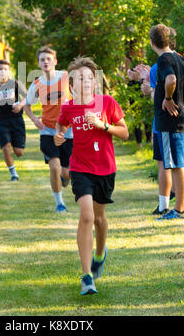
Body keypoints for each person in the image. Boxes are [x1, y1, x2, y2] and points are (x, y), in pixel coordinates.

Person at [54, 56, 129, 295]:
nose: (85, 82)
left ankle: (100, 253)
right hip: (80, 167)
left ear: (94, 81)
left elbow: (125, 133)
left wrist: (102, 125)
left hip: (105, 168)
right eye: (79, 79)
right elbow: (61, 126)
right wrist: (58, 136)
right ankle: (86, 276)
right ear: (72, 84)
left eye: (89, 78)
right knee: (86, 216)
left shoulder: (106, 102)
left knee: (99, 218)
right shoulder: (68, 107)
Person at [14, 46, 72, 212]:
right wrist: (34, 120)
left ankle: (64, 176)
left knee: (67, 172)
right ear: (39, 64)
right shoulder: (37, 84)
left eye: (48, 59)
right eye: (42, 60)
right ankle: (59, 203)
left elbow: (78, 97)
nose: (45, 62)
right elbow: (27, 104)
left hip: (68, 131)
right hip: (47, 130)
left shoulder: (66, 77)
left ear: (55, 61)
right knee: (54, 166)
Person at [148, 24, 184, 220]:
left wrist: (169, 98)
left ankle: (179, 210)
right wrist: (181, 95)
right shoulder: (180, 58)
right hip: (182, 119)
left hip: (170, 120)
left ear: (153, 43)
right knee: (183, 163)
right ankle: (183, 207)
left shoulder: (164, 59)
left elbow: (170, 79)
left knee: (176, 165)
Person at [0, 59, 27, 181]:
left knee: (19, 152)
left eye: (5, 69)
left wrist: (20, 105)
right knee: (6, 147)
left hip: (17, 120)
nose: (3, 71)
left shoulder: (15, 83)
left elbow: (28, 97)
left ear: (9, 71)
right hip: (1, 120)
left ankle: (15, 143)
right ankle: (13, 174)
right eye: (0, 69)